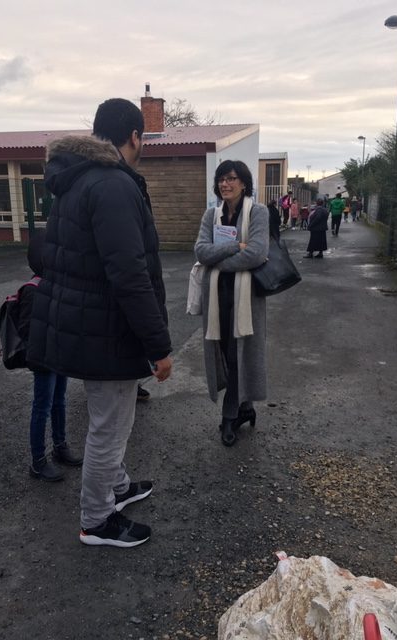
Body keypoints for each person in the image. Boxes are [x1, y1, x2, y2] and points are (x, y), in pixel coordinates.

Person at [27, 98, 173, 548]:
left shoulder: (77, 179)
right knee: (109, 427)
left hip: (86, 325)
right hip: (107, 329)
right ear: (135, 136)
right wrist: (158, 345)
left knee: (110, 419)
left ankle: (119, 486)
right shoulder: (112, 184)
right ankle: (96, 519)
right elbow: (129, 274)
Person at [195, 160, 269, 447]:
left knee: (239, 353)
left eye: (231, 178)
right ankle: (245, 407)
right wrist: (234, 247)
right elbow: (201, 251)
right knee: (225, 353)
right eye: (221, 179)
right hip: (216, 296)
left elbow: (257, 254)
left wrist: (218, 262)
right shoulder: (211, 215)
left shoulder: (258, 212)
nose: (225, 184)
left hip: (246, 297)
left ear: (244, 183)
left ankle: (230, 415)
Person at [19, 229, 83, 482]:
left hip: (59, 357)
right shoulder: (33, 289)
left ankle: (60, 446)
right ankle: (38, 461)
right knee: (42, 408)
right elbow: (27, 330)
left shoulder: (57, 286)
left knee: (59, 402)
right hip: (44, 361)